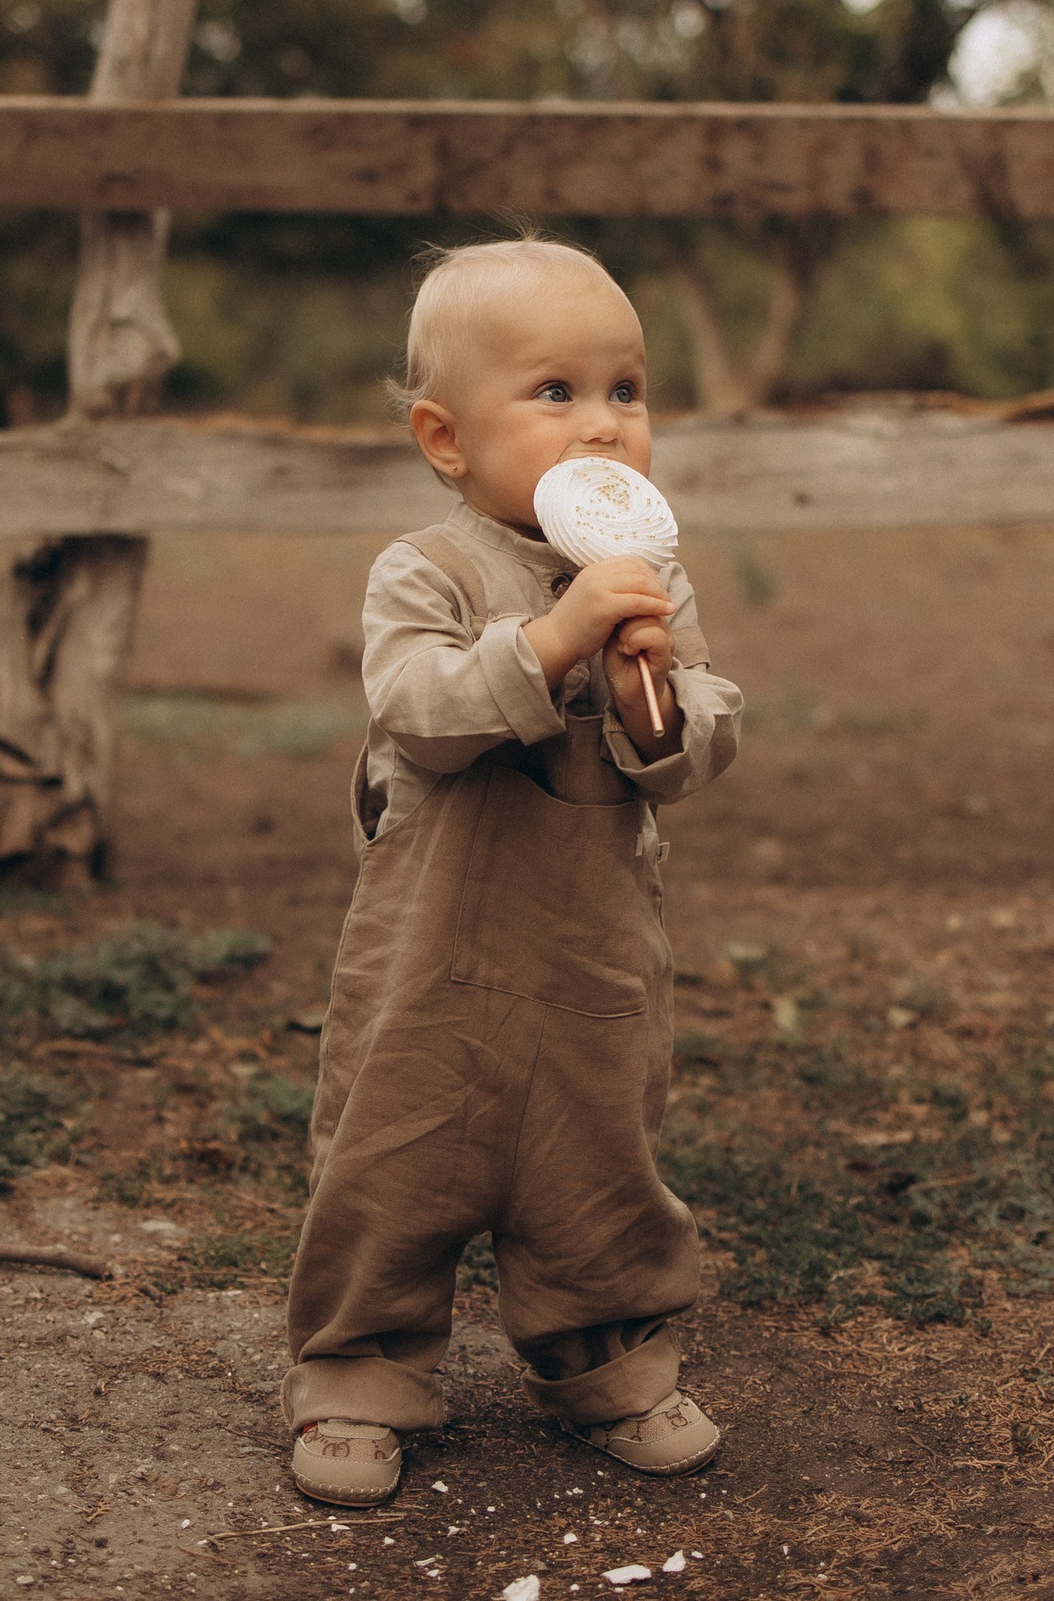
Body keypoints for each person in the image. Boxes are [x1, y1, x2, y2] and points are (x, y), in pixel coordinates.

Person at [281, 236, 744, 1508]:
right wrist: (550, 641)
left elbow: (695, 737)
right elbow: (418, 710)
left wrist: (656, 693)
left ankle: (608, 1358)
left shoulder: (657, 578)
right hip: (429, 950)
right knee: (395, 1155)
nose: (603, 425)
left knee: (596, 1155)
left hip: (590, 946)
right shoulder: (425, 571)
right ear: (445, 439)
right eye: (555, 393)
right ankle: (361, 1368)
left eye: (627, 391)